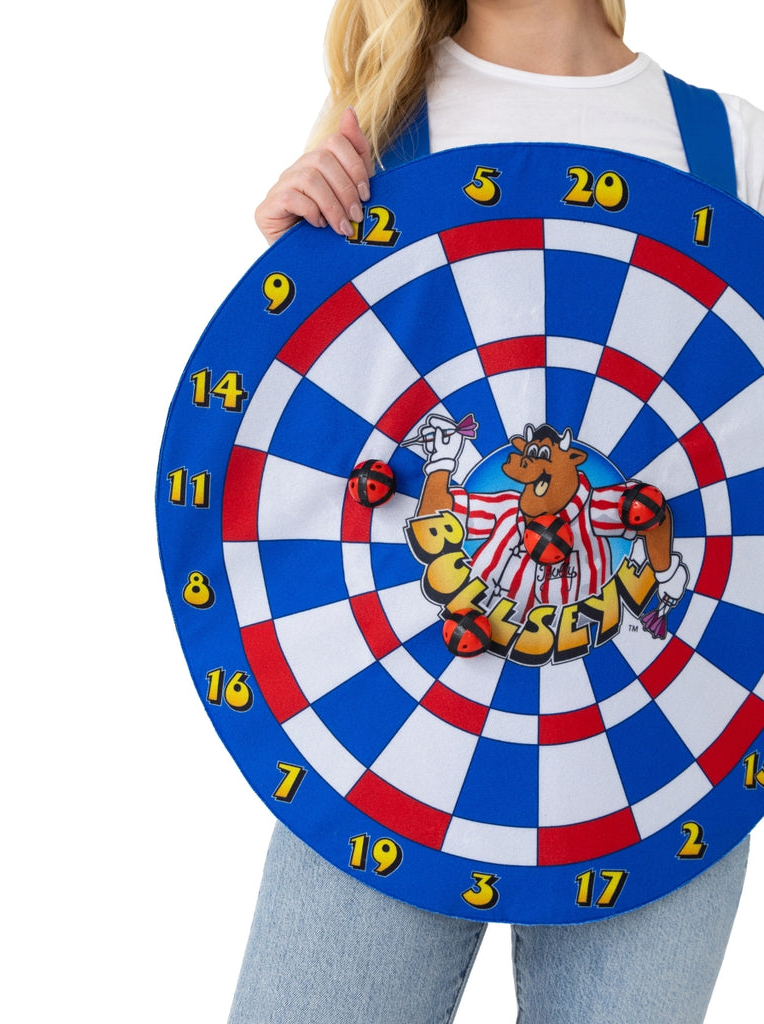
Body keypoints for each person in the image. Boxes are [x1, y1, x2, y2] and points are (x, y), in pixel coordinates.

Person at [229, 2, 764, 1022]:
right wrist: (289, 285)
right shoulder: (375, 129)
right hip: (391, 751)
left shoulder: (730, 149)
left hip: (662, 767)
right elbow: (312, 460)